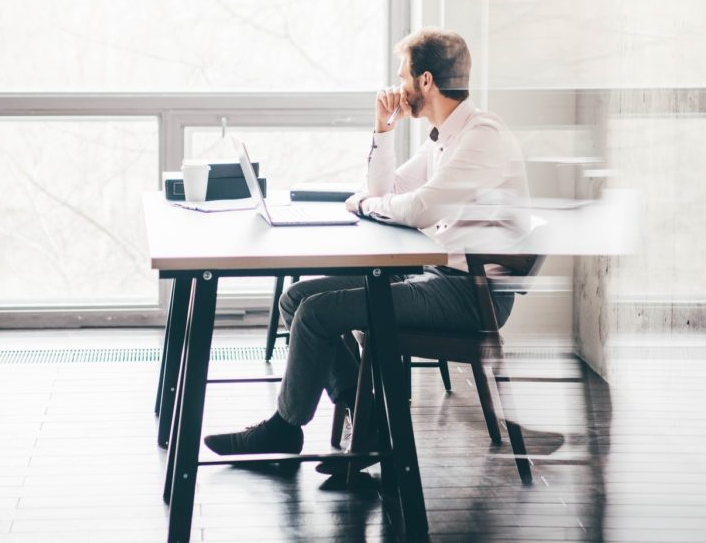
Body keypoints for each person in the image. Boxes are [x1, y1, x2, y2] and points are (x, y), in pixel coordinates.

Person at [204, 28, 529, 458]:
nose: (397, 85)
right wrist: (383, 131)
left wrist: (367, 204)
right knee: (295, 299)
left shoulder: (481, 136)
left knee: (318, 313)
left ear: (425, 81)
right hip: (438, 275)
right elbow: (391, 187)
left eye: (403, 74)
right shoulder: (444, 136)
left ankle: (287, 429)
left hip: (470, 294)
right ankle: (369, 418)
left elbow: (418, 210)